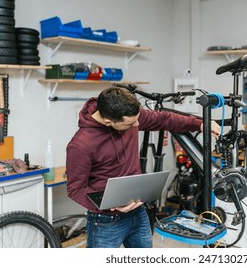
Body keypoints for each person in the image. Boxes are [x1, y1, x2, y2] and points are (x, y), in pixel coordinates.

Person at [66, 86, 221, 248]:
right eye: (131, 123)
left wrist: (200, 124)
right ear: (108, 122)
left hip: (138, 212)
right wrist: (107, 204)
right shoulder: (80, 145)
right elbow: (75, 189)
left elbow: (164, 119)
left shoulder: (130, 116)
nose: (137, 124)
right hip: (105, 221)